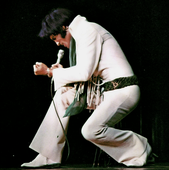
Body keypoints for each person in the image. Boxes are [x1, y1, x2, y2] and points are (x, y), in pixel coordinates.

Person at [21, 8, 152, 168]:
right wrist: (57, 72)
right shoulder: (80, 34)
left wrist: (50, 72)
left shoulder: (87, 30)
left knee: (90, 131)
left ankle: (139, 148)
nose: (56, 43)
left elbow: (84, 73)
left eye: (55, 38)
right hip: (105, 92)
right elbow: (87, 74)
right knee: (63, 94)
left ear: (64, 28)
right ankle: (48, 155)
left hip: (123, 90)